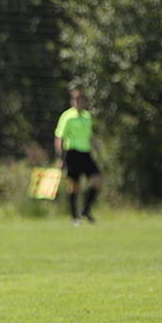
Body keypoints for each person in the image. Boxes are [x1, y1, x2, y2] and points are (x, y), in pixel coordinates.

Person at [54, 88, 102, 225]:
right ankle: (74, 216)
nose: (78, 101)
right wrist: (60, 157)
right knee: (74, 185)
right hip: (73, 153)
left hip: (85, 153)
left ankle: (85, 209)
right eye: (75, 99)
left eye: (80, 99)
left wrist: (96, 146)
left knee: (98, 181)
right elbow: (59, 137)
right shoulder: (67, 116)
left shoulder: (87, 116)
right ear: (72, 101)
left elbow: (89, 135)